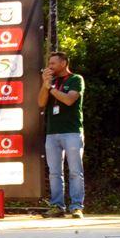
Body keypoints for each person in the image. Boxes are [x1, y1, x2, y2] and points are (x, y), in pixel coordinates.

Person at [37, 51, 85, 218]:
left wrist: (50, 88)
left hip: (71, 132)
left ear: (63, 63)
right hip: (52, 133)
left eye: (53, 64)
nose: (50, 67)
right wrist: (45, 85)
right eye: (49, 64)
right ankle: (57, 206)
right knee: (54, 172)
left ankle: (77, 206)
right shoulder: (51, 82)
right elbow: (41, 102)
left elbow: (69, 100)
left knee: (75, 171)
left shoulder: (76, 79)